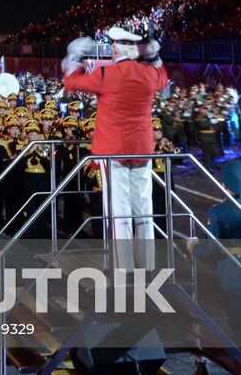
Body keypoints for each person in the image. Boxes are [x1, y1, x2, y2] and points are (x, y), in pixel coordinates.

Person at [62, 26, 168, 269]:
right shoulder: (148, 74)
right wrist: (154, 57)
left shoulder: (106, 74)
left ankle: (125, 266)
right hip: (142, 149)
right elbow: (163, 77)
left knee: (119, 211)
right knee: (144, 208)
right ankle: (148, 264)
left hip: (113, 151)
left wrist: (74, 57)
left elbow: (72, 82)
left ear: (115, 49)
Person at [192, 162, 241, 375]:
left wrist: (193, 248)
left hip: (232, 271)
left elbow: (210, 249)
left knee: (239, 325)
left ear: (225, 186)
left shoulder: (218, 212)